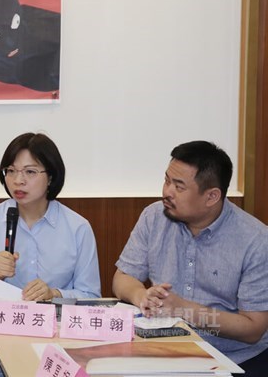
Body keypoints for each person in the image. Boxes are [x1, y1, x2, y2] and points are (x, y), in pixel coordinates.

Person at [113, 141, 268, 372]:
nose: (167, 192)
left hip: (234, 360)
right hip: (164, 351)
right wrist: (142, 296)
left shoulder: (256, 240)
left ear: (211, 197)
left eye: (179, 186)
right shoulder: (154, 216)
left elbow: (253, 329)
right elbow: (122, 278)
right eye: (166, 180)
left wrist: (183, 309)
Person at [0, 132, 100, 300]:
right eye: (11, 171)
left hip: (55, 322)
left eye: (30, 172)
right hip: (2, 321)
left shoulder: (78, 228)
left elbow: (91, 295)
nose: (18, 180)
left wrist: (54, 294)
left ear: (50, 177)